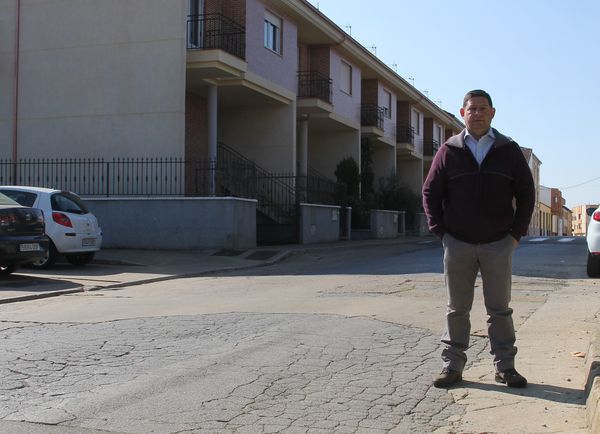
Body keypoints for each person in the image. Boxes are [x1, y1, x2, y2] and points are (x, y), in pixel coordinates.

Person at [422, 89, 535, 388]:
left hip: (499, 244)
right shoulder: (449, 150)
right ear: (463, 113)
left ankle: (505, 367)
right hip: (457, 243)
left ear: (493, 113)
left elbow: (526, 193)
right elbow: (430, 193)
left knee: (499, 310)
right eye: (472, 108)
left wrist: (515, 235)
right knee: (457, 309)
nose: (478, 113)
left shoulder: (508, 150)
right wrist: (441, 233)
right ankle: (452, 367)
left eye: (483, 108)